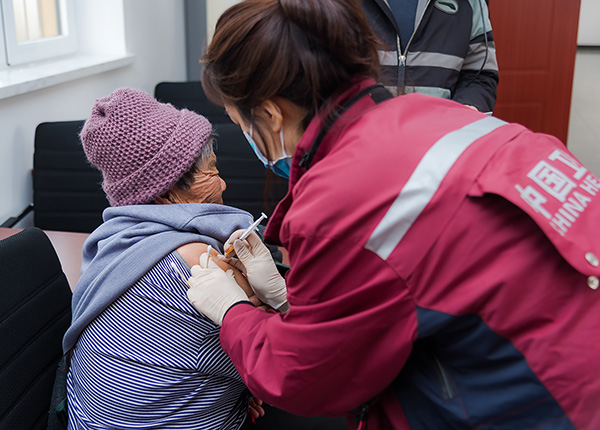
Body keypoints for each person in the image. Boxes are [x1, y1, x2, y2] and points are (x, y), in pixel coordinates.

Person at [186, 0, 600, 429]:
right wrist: (286, 299)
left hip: (551, 402)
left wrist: (234, 311)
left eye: (241, 124)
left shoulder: (340, 196)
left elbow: (304, 377)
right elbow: (416, 276)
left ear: (271, 115)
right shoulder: (436, 113)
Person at [62, 88, 265, 429]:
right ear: (167, 191)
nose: (225, 184)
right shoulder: (195, 261)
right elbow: (269, 362)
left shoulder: (111, 242)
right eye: (212, 172)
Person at [361, 0, 499, 113]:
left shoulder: (470, 3)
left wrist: (468, 107)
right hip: (360, 137)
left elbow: (480, 76)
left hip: (441, 139)